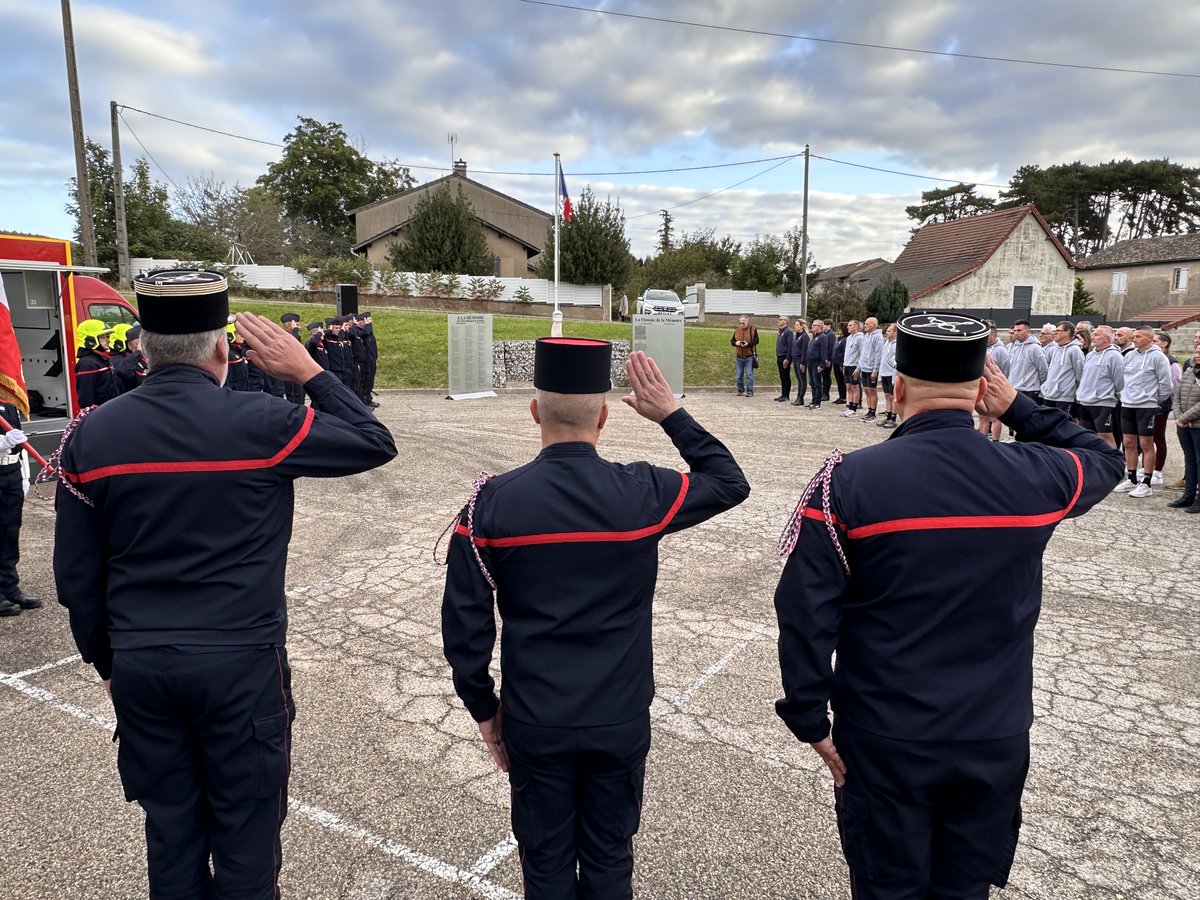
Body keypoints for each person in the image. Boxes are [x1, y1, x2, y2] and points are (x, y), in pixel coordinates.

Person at [53, 269, 397, 899]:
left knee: (172, 837)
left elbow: (76, 576)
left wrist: (109, 660)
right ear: (221, 349)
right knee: (246, 842)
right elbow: (375, 441)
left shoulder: (91, 435)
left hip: (142, 663)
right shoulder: (261, 421)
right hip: (240, 663)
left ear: (143, 350)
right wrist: (309, 373)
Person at [774, 312, 1123, 900]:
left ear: (899, 386)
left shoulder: (847, 481)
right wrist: (1019, 409)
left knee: (887, 887)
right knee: (964, 890)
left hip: (886, 733)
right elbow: (1104, 458)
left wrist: (810, 717)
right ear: (984, 389)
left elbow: (805, 612)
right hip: (993, 732)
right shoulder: (1034, 475)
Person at [441, 341, 749, 899]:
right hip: (618, 714)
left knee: (546, 864)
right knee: (609, 861)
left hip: (536, 717)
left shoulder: (490, 505)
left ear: (535, 412)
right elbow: (729, 482)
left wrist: (485, 710)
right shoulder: (642, 491)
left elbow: (465, 629)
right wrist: (672, 415)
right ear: (605, 416)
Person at [1113, 325, 1173, 498]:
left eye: (1138, 336)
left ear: (1149, 338)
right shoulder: (1129, 356)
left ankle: (1146, 482)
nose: (1134, 339)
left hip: (1146, 405)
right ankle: (1131, 477)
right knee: (1129, 442)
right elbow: (1123, 378)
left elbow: (1166, 384)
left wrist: (1154, 400)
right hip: (1127, 404)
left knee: (1147, 444)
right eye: (1134, 336)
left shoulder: (1158, 357)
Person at [0, 400, 40, 617]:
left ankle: (9, 586)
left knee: (10, 531)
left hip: (11, 471)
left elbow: (19, 438)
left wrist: (24, 475)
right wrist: (2, 443)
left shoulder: (9, 400)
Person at [1076, 325, 1124, 448]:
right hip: (1085, 401)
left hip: (1103, 403)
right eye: (1093, 334)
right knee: (1086, 435)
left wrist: (1115, 397)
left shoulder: (1115, 356)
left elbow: (1119, 381)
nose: (1092, 337)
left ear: (1107, 338)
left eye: (1096, 335)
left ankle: (1112, 462)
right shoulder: (1091, 355)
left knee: (1105, 436)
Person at [1168, 342, 1200, 512]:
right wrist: (1180, 417)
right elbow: (1177, 395)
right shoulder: (1189, 370)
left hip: (1197, 424)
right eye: (1196, 351)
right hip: (1184, 424)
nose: (1197, 354)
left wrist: (1185, 417)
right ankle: (1188, 496)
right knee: (1190, 460)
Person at [1149, 332, 1182, 486]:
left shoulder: (1172, 363)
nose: (1152, 343)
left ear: (1165, 344)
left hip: (1162, 404)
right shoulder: (1150, 358)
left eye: (1155, 341)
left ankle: (1158, 471)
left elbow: (1175, 386)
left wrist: (1163, 401)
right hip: (1147, 403)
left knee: (1158, 438)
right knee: (1146, 438)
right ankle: (1148, 466)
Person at [74, 319, 122, 408]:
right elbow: (86, 398)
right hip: (100, 415)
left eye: (107, 336)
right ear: (91, 339)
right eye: (103, 337)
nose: (108, 340)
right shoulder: (87, 364)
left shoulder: (103, 359)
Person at [1040, 321, 1084, 415]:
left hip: (1064, 397)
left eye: (1058, 331)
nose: (1054, 333)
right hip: (1049, 395)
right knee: (1046, 423)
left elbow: (1079, 374)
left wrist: (1075, 394)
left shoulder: (1075, 350)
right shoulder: (1054, 349)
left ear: (1067, 332)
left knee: (1062, 424)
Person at [979, 322, 1010, 441]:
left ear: (993, 335)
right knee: (983, 416)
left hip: (995, 387)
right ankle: (982, 440)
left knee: (996, 417)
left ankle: (996, 442)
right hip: (983, 386)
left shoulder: (1001, 350)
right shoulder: (983, 349)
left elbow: (1006, 368)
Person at [857, 317, 884, 423]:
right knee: (866, 390)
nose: (864, 326)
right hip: (864, 367)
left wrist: (875, 370)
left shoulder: (877, 337)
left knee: (872, 390)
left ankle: (873, 413)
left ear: (873, 325)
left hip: (872, 368)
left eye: (867, 324)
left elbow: (878, 354)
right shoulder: (866, 336)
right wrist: (859, 367)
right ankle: (869, 411)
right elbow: (863, 353)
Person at [805, 319, 834, 410]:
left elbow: (824, 351)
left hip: (816, 363)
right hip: (810, 362)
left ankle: (817, 403)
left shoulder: (823, 337)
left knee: (817, 383)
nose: (812, 327)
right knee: (812, 383)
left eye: (814, 325)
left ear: (820, 327)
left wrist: (822, 364)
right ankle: (813, 400)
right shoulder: (814, 337)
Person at [279, 312, 306, 406]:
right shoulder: (284, 336)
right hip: (291, 373)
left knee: (300, 398)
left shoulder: (295, 336)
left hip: (298, 372)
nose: (298, 327)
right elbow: (291, 345)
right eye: (296, 325)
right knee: (294, 399)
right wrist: (295, 330)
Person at [875, 323, 898, 428]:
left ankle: (893, 418)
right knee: (887, 396)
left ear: (895, 333)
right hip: (884, 373)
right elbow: (883, 359)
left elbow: (896, 362)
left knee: (893, 397)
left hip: (892, 374)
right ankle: (888, 416)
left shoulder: (897, 344)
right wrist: (880, 374)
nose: (886, 333)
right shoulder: (886, 343)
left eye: (889, 331)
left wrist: (894, 377)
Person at [731, 315, 758, 397]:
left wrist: (748, 344)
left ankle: (750, 391)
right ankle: (740, 390)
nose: (742, 324)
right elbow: (732, 341)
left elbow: (756, 341)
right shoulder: (736, 330)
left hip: (749, 356)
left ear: (747, 321)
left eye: (743, 322)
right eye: (740, 322)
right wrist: (736, 343)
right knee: (739, 375)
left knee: (749, 374)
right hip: (739, 356)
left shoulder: (753, 329)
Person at [840, 321, 862, 416]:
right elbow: (847, 353)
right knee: (848, 386)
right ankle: (850, 406)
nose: (848, 327)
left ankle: (854, 408)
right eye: (848, 325)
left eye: (850, 325)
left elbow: (862, 353)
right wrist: (844, 364)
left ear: (856, 326)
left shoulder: (860, 338)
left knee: (855, 387)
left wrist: (859, 368)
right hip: (847, 365)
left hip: (854, 365)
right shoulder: (848, 338)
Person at [360, 311, 380, 408]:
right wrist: (367, 325)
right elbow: (366, 332)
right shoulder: (364, 332)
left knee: (370, 381)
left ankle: (368, 398)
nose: (370, 322)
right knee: (366, 381)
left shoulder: (370, 332)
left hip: (372, 359)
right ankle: (364, 400)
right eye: (367, 320)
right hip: (366, 360)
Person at [774, 315, 795, 402]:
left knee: (786, 376)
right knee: (782, 376)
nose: (779, 321)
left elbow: (790, 346)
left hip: (784, 356)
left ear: (786, 321)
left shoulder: (788, 332)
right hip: (779, 355)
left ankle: (786, 395)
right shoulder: (780, 331)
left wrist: (788, 358)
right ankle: (783, 394)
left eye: (781, 319)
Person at [789, 319, 809, 407]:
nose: (795, 326)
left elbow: (804, 350)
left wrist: (803, 362)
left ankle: (801, 397)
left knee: (802, 379)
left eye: (797, 325)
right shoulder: (796, 335)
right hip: (795, 359)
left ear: (802, 326)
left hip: (800, 360)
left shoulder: (805, 336)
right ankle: (798, 397)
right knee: (799, 379)